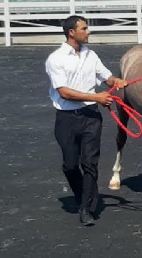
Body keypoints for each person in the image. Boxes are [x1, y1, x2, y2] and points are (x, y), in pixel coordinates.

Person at [45, 15, 127, 226]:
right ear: (71, 32)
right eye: (84, 28)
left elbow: (105, 77)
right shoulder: (56, 59)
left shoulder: (91, 55)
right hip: (67, 119)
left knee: (89, 163)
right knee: (70, 166)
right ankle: (85, 195)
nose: (88, 31)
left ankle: (86, 208)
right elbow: (64, 92)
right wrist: (97, 97)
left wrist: (115, 81)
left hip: (91, 117)